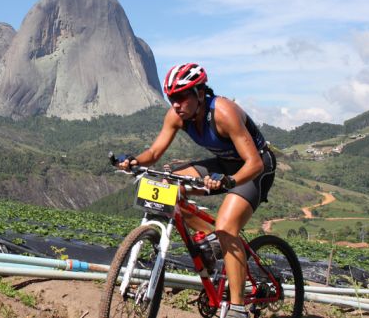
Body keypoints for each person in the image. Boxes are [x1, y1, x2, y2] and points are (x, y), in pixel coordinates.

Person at [118, 63, 276, 318]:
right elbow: (155, 152)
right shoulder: (176, 116)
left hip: (255, 167)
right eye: (172, 99)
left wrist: (230, 182)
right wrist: (134, 161)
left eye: (181, 97)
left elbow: (254, 163)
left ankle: (237, 309)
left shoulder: (223, 112)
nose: (176, 104)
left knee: (227, 227)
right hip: (224, 164)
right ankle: (214, 241)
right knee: (168, 185)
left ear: (200, 93)